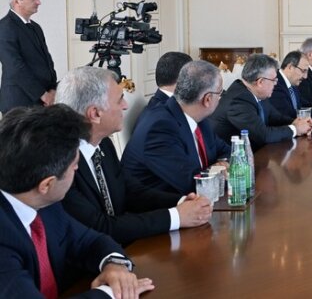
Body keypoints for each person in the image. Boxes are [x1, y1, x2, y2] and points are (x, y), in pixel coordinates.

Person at [0, 105, 154, 299]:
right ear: (46, 184)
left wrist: (114, 265)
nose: (77, 171)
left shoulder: (43, 203)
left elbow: (89, 240)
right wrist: (112, 292)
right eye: (74, 167)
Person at [56, 67, 212, 246]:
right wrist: (176, 216)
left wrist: (181, 202)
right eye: (119, 100)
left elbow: (128, 190)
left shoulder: (103, 143)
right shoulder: (62, 163)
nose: (125, 106)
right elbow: (100, 227)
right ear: (95, 114)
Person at [122, 61, 230, 195]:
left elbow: (227, 151)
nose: (220, 98)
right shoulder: (159, 129)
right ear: (207, 99)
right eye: (220, 93)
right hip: (164, 205)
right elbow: (193, 184)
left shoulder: (199, 119)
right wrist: (223, 174)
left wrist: (221, 165)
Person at [210, 54, 312, 152]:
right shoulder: (238, 101)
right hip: (233, 159)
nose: (276, 83)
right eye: (273, 80)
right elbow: (264, 135)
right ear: (260, 82)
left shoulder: (255, 93)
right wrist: (295, 129)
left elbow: (275, 117)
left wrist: (298, 122)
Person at [0, 0, 58, 114]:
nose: (39, 2)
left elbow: (47, 61)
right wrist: (43, 95)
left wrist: (52, 90)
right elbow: (15, 67)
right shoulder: (4, 27)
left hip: (42, 101)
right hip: (19, 103)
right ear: (17, 1)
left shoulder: (36, 27)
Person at [268, 51, 312, 120]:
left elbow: (303, 106)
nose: (305, 76)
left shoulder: (293, 84)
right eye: (303, 71)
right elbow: (287, 114)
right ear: (290, 67)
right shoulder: (275, 83)